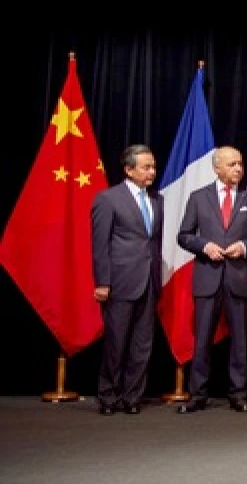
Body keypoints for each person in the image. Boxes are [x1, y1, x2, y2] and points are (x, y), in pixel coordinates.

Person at [175, 146, 247, 414]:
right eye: (232, 164)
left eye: (240, 164)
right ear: (217, 168)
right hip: (208, 278)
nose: (238, 169)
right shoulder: (198, 198)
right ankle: (197, 394)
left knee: (240, 340)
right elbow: (184, 235)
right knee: (202, 339)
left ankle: (238, 393)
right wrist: (204, 246)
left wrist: (244, 246)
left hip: (240, 278)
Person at [90, 144, 161, 416]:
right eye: (146, 167)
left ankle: (132, 397)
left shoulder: (157, 200)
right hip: (120, 282)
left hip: (149, 281)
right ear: (129, 170)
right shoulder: (108, 199)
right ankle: (108, 396)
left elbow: (152, 242)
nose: (151, 172)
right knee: (116, 343)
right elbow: (100, 245)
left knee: (142, 344)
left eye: (153, 166)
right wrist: (102, 281)